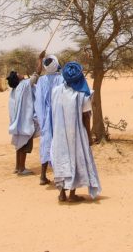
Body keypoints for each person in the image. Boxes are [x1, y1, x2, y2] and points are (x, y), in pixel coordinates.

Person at [50, 61, 101, 203]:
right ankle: (71, 194)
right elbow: (86, 116)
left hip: (59, 134)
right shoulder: (83, 94)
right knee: (75, 161)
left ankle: (61, 193)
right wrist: (88, 135)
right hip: (76, 134)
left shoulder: (56, 91)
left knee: (61, 160)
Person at [34, 52, 64, 185]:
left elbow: (38, 101)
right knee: (60, 144)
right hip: (59, 115)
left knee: (46, 144)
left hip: (45, 116)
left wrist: (42, 119)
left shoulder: (42, 80)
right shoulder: (62, 78)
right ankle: (60, 176)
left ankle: (43, 175)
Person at [7, 70, 36, 175]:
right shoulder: (24, 86)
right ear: (18, 79)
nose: (20, 73)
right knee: (24, 145)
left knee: (19, 145)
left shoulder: (15, 90)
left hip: (17, 123)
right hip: (24, 123)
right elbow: (36, 74)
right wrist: (40, 60)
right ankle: (22, 168)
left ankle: (17, 167)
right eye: (18, 74)